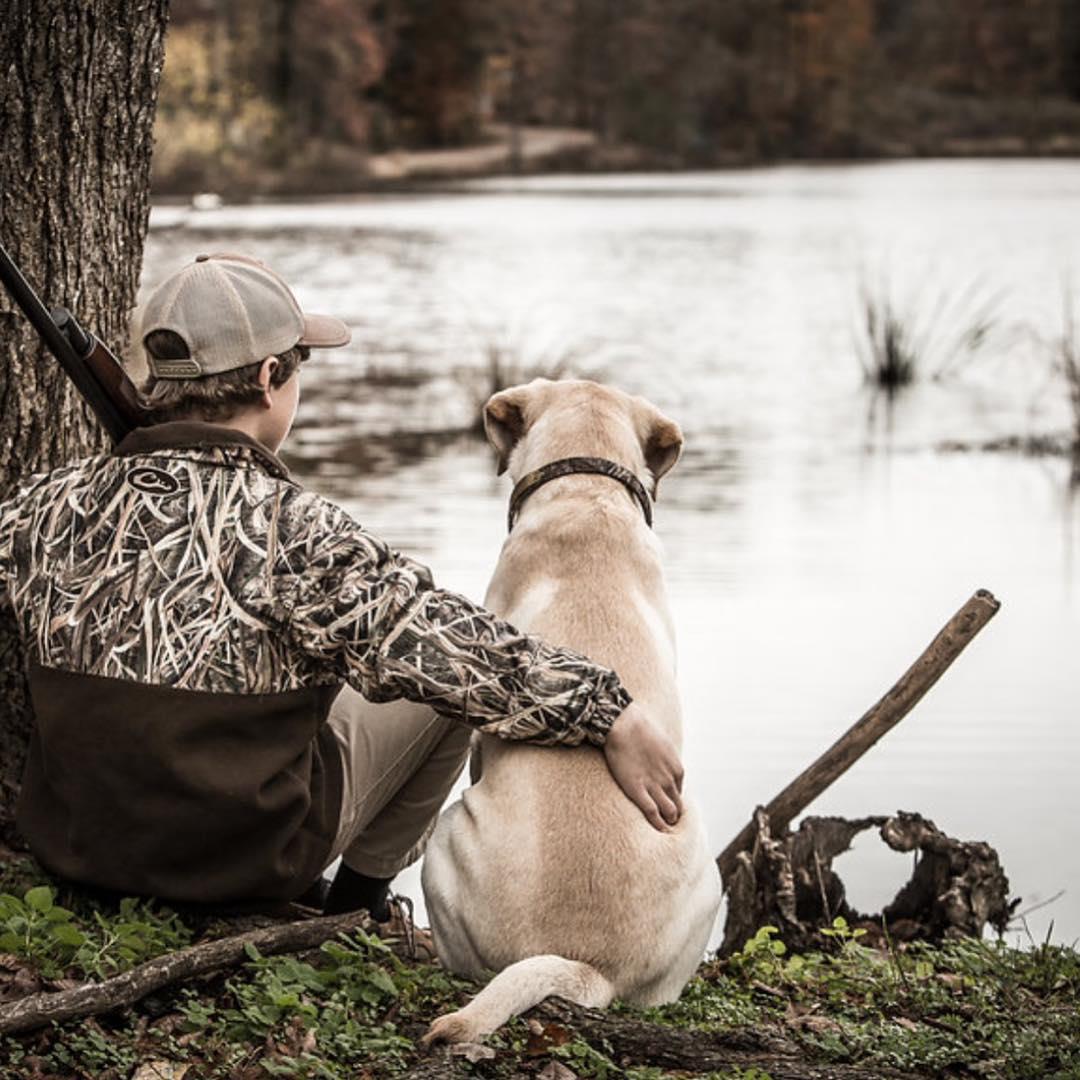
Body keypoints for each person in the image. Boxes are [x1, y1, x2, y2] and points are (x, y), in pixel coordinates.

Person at [0, 252, 683, 926]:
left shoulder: (44, 503)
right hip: (239, 863)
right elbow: (459, 652)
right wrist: (610, 711)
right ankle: (356, 908)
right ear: (271, 378)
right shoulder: (295, 530)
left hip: (76, 851)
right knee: (446, 686)